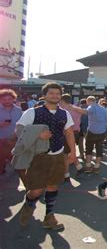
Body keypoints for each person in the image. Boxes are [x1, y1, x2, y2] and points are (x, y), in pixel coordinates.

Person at [18, 83, 77, 230]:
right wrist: (37, 134)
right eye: (51, 93)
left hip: (58, 154)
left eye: (58, 94)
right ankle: (29, 205)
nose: (55, 96)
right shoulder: (32, 112)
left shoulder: (65, 113)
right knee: (36, 190)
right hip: (38, 156)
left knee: (52, 186)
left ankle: (49, 217)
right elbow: (19, 129)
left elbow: (69, 132)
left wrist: (73, 153)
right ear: (44, 95)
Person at [67, 96, 107, 174]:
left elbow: (86, 112)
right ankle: (97, 167)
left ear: (89, 101)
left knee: (89, 148)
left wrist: (74, 108)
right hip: (102, 131)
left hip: (92, 131)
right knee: (99, 148)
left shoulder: (91, 107)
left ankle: (88, 166)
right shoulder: (104, 109)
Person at [0, 89, 24, 186]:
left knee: (16, 161)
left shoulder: (18, 110)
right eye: (4, 99)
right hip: (1, 140)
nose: (7, 101)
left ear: (13, 99)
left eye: (9, 99)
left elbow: (22, 124)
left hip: (15, 140)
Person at [59, 94, 84, 182]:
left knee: (65, 155)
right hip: (76, 132)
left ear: (62, 101)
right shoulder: (76, 108)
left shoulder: (63, 111)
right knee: (70, 151)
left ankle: (66, 175)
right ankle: (79, 167)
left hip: (67, 133)